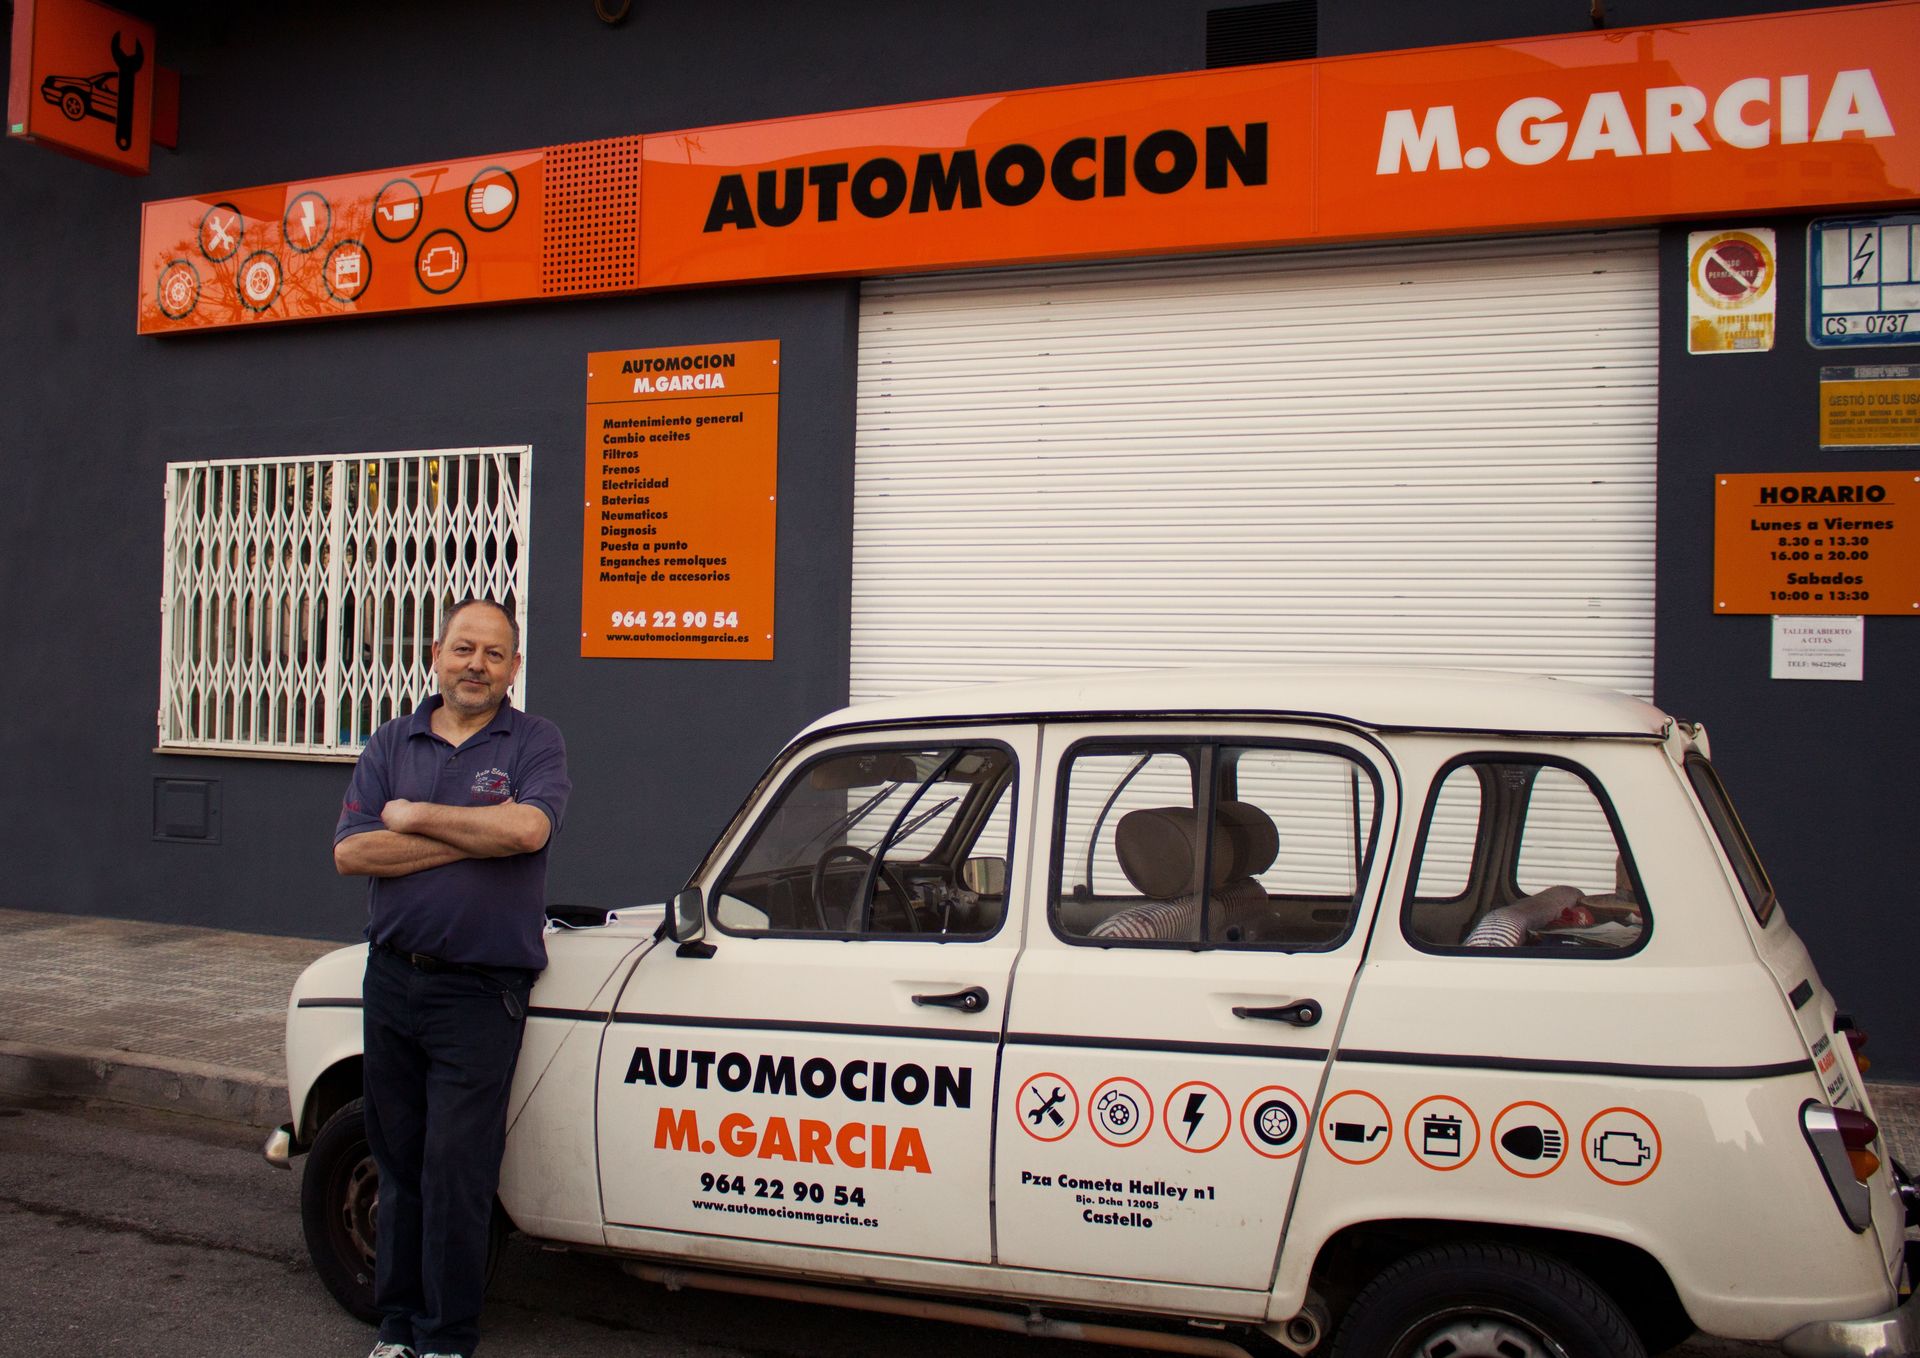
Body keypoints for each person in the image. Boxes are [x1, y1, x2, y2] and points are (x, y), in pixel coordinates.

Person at [333, 598, 571, 1358]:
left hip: (481, 991)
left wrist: (411, 815)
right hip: (392, 979)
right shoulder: (391, 740)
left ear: (515, 667)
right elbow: (351, 853)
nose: (477, 664)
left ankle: (445, 1338)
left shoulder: (536, 740)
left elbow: (530, 828)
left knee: (457, 1172)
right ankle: (396, 1328)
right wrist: (474, 834)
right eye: (464, 648)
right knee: (397, 1162)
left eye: (494, 654)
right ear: (436, 653)